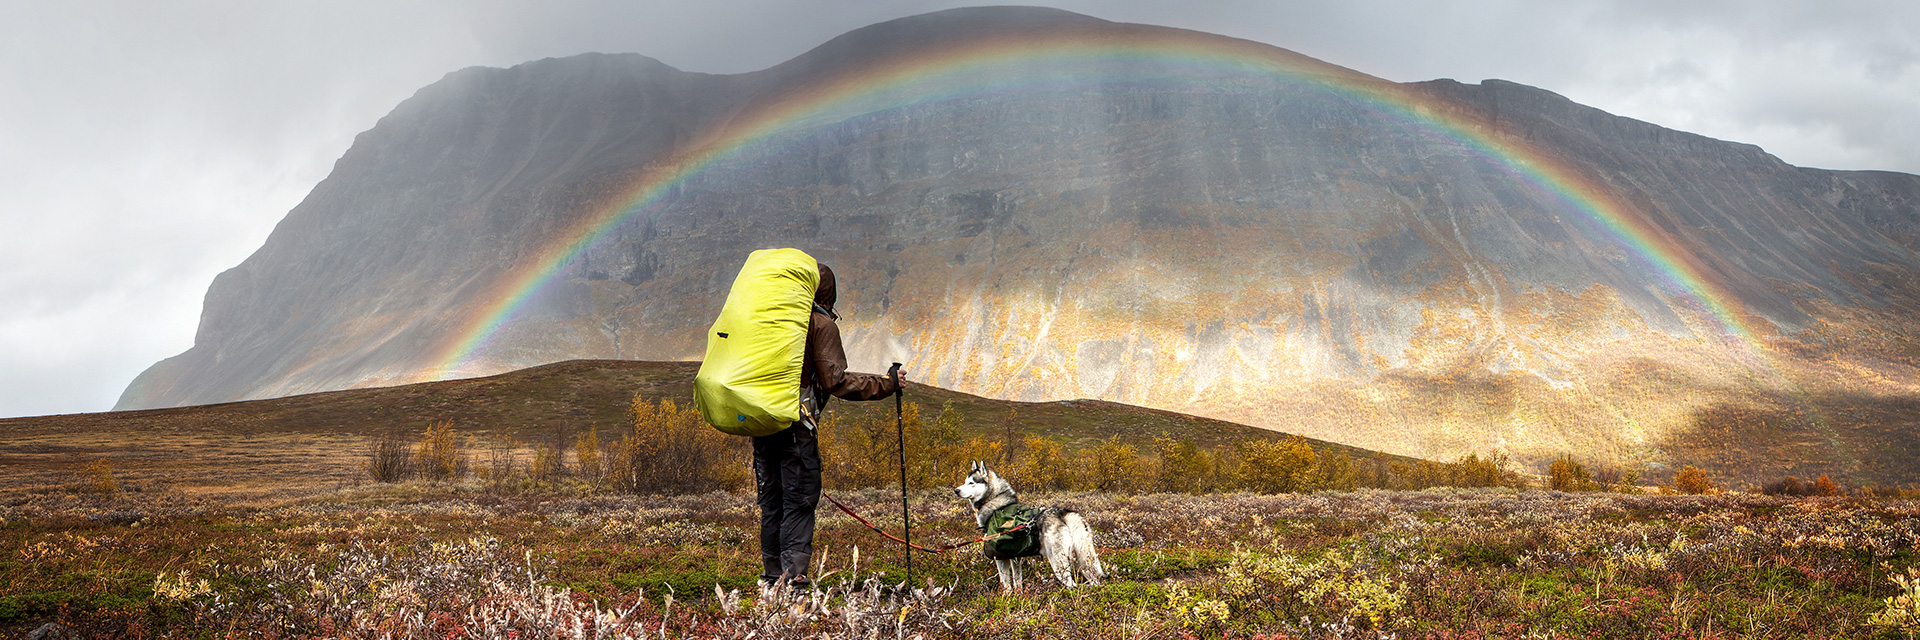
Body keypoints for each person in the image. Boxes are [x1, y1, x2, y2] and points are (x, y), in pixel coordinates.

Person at [752, 263, 900, 588]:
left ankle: (771, 581)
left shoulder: (770, 320)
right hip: (796, 428)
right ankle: (793, 588)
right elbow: (836, 382)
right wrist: (887, 384)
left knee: (772, 503)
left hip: (762, 425)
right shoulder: (819, 323)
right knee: (799, 501)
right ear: (827, 291)